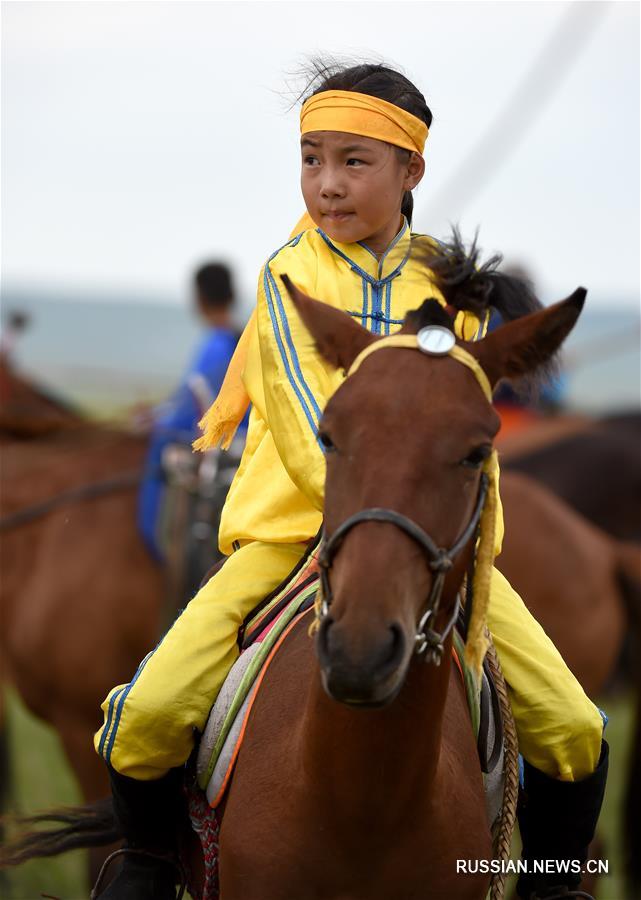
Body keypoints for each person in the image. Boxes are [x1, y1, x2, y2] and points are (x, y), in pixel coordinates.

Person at [94, 62, 608, 900]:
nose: (326, 184)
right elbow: (307, 432)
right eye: (310, 158)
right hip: (290, 535)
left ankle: (548, 887)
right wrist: (368, 508)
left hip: (438, 549)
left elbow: (466, 421)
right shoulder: (286, 280)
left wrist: (434, 529)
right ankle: (150, 870)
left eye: (353, 161)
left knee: (575, 728)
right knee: (146, 714)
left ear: (411, 171)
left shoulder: (450, 286)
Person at [137, 263, 244, 562]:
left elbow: (192, 406)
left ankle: (162, 547)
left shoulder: (215, 344)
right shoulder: (239, 337)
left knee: (159, 447)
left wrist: (155, 421)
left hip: (219, 442)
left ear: (198, 298)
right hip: (237, 436)